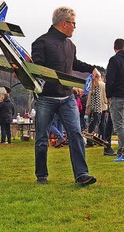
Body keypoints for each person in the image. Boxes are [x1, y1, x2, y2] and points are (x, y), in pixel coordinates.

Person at [31, 6, 101, 185]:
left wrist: (91, 68)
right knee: (41, 138)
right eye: (73, 23)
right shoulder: (40, 43)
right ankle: (41, 175)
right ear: (64, 23)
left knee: (76, 133)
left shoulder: (71, 45)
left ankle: (81, 175)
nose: (75, 27)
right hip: (45, 98)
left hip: (67, 98)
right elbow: (36, 69)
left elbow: (74, 63)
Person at [84, 72, 109, 150]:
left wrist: (87, 108)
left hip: (95, 108)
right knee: (103, 124)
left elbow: (89, 98)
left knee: (92, 124)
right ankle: (104, 139)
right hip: (104, 106)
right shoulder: (104, 85)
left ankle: (90, 142)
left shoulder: (93, 85)